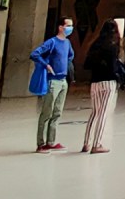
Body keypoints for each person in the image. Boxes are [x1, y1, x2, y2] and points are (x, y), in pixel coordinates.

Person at [29, 16, 75, 153]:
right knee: (46, 112)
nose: (70, 28)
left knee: (57, 112)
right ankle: (40, 144)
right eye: (68, 25)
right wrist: (46, 64)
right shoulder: (52, 42)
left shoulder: (67, 43)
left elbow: (70, 56)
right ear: (60, 27)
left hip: (63, 81)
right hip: (52, 81)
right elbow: (35, 54)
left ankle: (51, 141)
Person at [82, 20, 124, 154]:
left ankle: (86, 143)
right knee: (103, 113)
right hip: (108, 82)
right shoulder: (112, 46)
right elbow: (113, 67)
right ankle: (97, 143)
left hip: (95, 82)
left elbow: (87, 64)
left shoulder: (95, 45)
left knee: (94, 112)